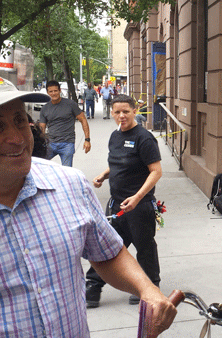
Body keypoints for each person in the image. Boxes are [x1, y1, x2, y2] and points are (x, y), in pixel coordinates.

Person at [0, 72, 177, 337]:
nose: (18, 138)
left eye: (20, 120)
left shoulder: (70, 184)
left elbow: (107, 252)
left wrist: (147, 289)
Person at [86, 94, 163, 308]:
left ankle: (149, 286)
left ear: (134, 111)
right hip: (117, 205)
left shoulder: (144, 138)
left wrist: (137, 198)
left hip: (139, 206)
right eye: (117, 112)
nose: (121, 116)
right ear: (112, 113)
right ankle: (93, 286)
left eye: (126, 112)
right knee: (107, 246)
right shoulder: (115, 136)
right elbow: (119, 163)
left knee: (145, 247)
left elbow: (156, 171)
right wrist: (104, 174)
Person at [39, 80, 91, 167]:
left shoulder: (70, 104)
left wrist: (87, 140)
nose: (53, 93)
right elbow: (42, 128)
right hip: (50, 144)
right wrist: (39, 144)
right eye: (51, 91)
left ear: (59, 90)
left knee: (67, 171)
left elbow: (83, 120)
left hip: (67, 144)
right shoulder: (45, 108)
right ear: (47, 92)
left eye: (55, 91)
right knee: (38, 165)